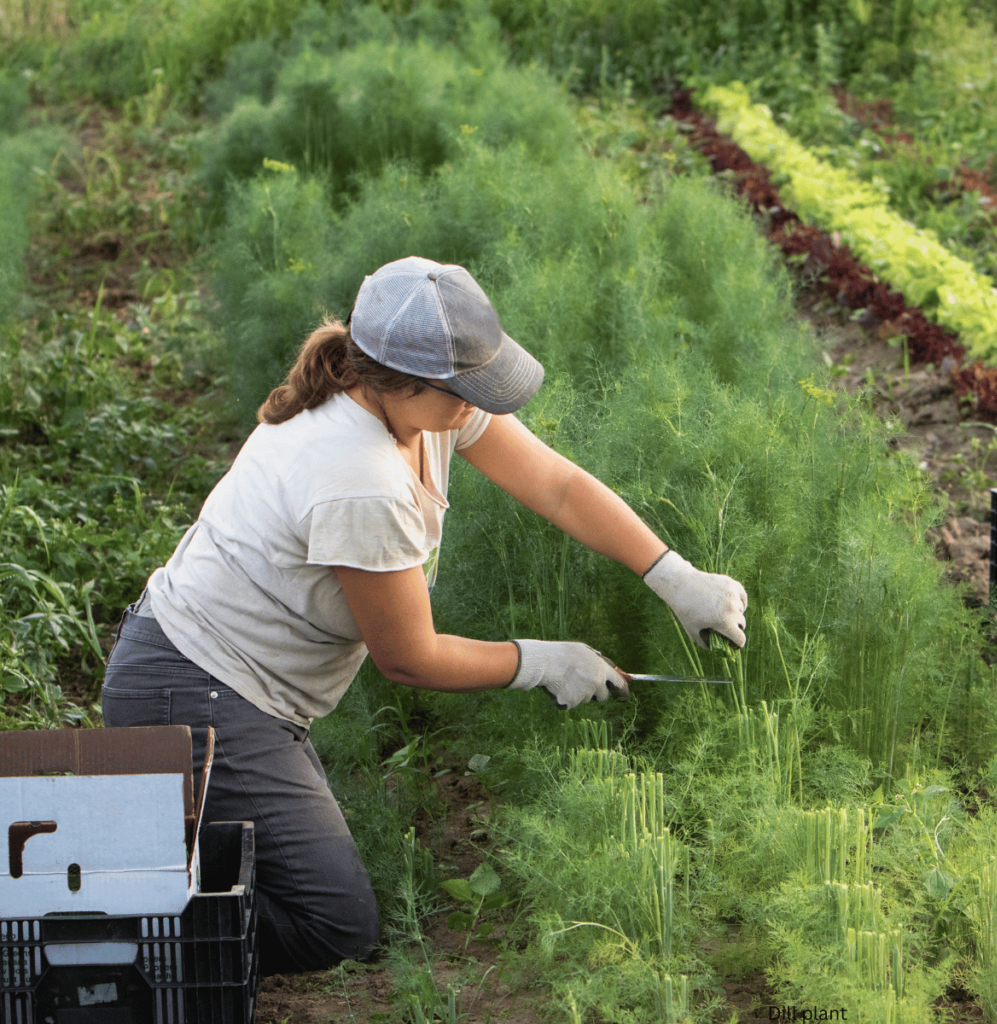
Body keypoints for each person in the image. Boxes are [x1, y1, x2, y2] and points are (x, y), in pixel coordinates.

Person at [102, 256, 747, 974]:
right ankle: (114, 949)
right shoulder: (360, 476)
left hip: (226, 683)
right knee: (333, 923)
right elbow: (408, 656)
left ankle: (162, 879)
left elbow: (558, 486)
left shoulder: (418, 405)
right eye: (465, 391)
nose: (480, 405)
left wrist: (674, 575)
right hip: (197, 688)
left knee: (263, 868)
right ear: (401, 382)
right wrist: (546, 663)